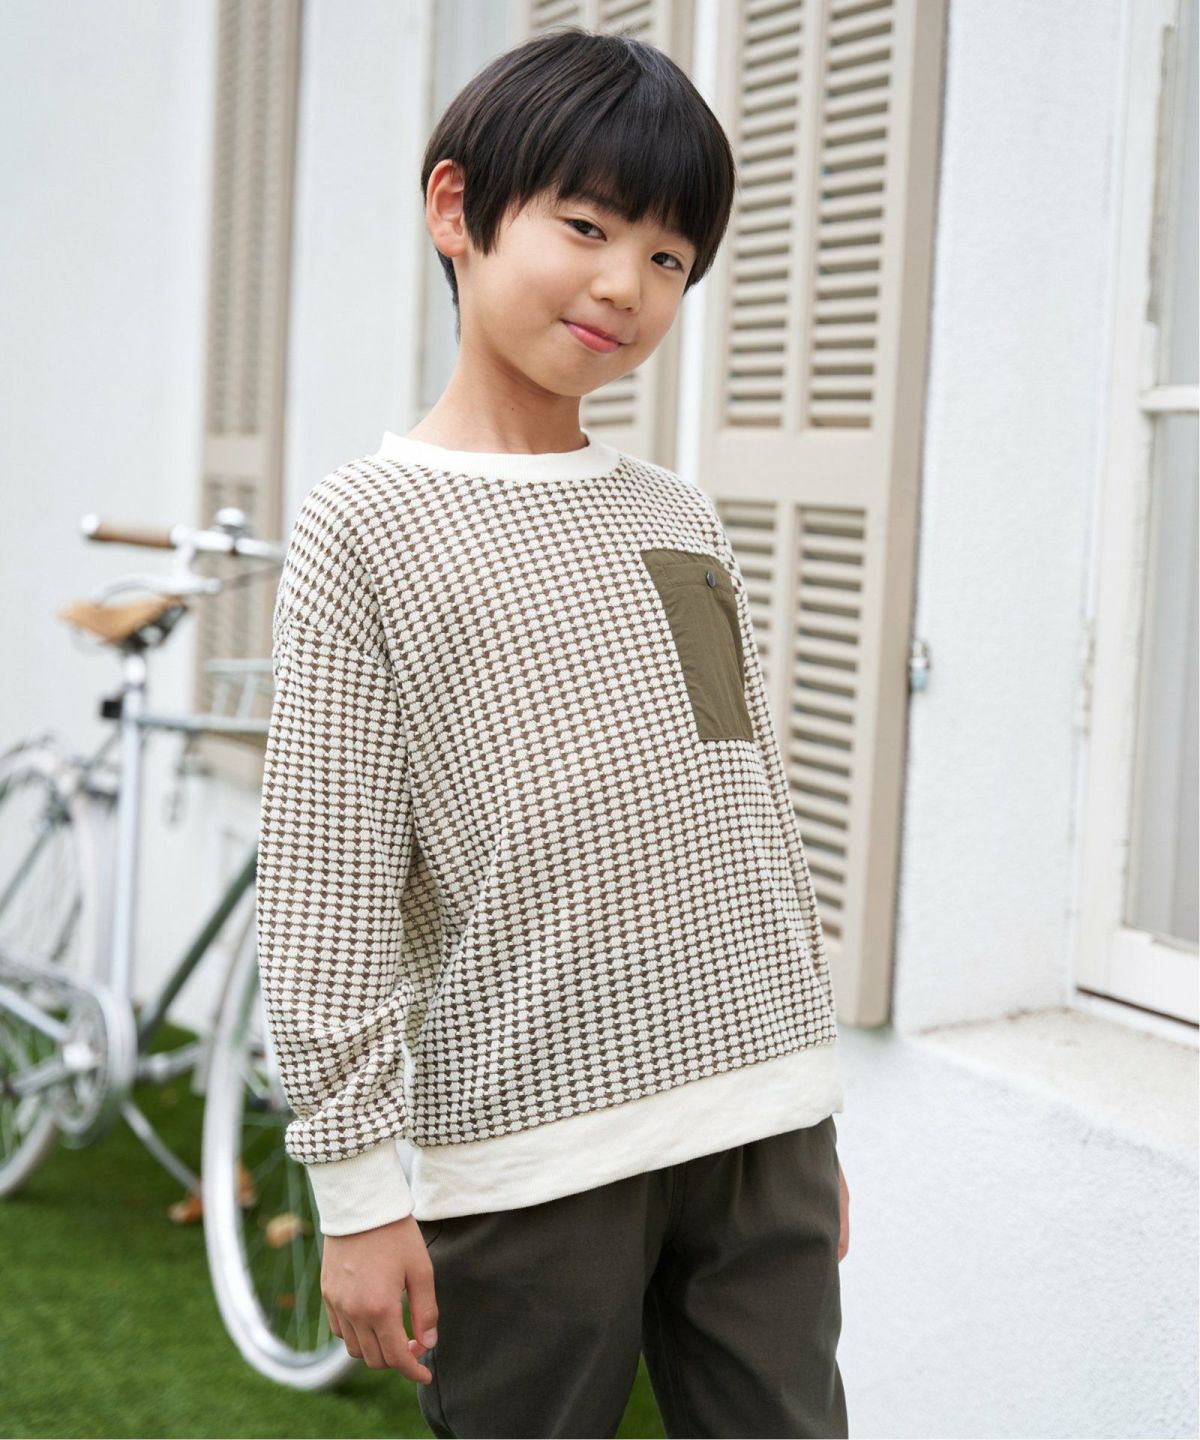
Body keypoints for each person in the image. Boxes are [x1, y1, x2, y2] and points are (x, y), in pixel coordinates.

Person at [256, 25, 851, 1439]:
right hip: (528, 1141)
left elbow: (745, 803)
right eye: (587, 227)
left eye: (669, 257)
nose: (625, 286)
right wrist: (358, 1193)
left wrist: (806, 1098)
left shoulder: (678, 517)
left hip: (759, 1122)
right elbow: (329, 882)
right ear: (456, 209)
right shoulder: (365, 528)